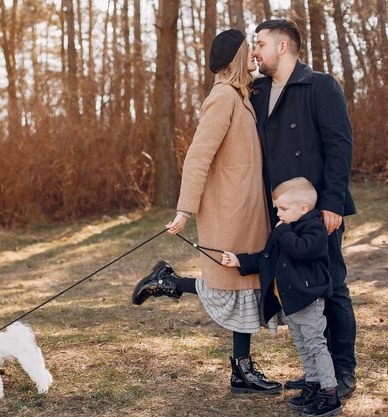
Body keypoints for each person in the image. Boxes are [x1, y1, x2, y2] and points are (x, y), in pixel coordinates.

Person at [131, 29, 281, 395]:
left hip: (250, 209)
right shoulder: (222, 98)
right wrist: (185, 209)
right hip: (230, 211)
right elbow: (198, 156)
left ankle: (241, 370)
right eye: (249, 51)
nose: (253, 57)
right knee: (231, 286)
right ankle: (167, 284)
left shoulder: (241, 96)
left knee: (245, 285)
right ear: (235, 58)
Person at [250, 19, 357, 399]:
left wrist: (331, 203)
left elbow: (340, 146)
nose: (254, 51)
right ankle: (317, 372)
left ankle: (342, 370)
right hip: (282, 210)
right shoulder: (258, 90)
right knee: (301, 290)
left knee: (332, 287)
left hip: (317, 209)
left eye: (259, 43)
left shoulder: (320, 85)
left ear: (282, 46)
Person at [222, 177, 343, 417]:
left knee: (316, 345)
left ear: (303, 209)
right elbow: (266, 257)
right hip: (290, 301)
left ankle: (330, 394)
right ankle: (313, 383)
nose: (278, 214)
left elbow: (302, 249)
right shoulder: (284, 230)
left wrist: (283, 232)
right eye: (277, 208)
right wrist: (240, 261)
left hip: (308, 299)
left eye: (284, 209)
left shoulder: (314, 228)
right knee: (302, 344)